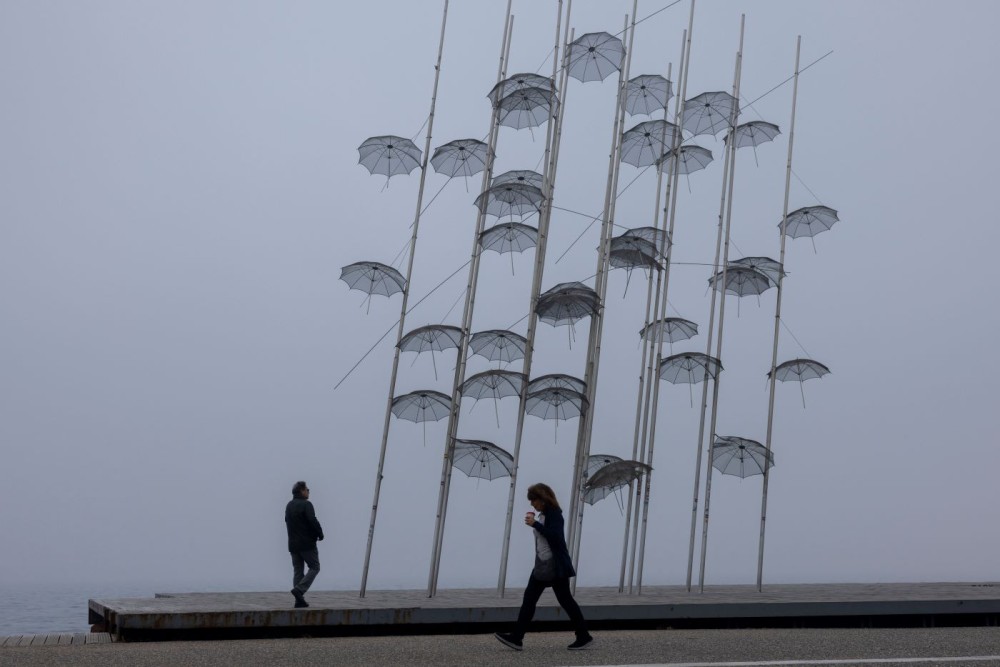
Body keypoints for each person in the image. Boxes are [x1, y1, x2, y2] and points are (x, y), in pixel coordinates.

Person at [495, 482, 593, 651]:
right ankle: (517, 638)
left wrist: (535, 525)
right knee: (532, 599)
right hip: (543, 564)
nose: (531, 503)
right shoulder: (544, 514)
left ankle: (583, 636)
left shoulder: (554, 514)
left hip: (554, 566)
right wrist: (536, 524)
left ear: (542, 499)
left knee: (564, 601)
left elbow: (555, 537)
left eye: (533, 500)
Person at [285, 480, 324, 608]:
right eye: (307, 489)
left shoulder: (289, 505)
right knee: (315, 567)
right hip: (306, 543)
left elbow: (287, 522)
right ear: (301, 491)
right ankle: (300, 590)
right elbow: (312, 520)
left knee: (298, 571)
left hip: (293, 544)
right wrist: (320, 533)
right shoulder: (306, 504)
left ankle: (298, 600)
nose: (308, 491)